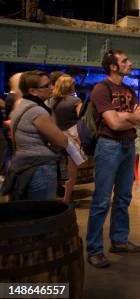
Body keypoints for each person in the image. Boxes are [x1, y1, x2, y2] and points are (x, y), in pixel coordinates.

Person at [86, 50, 140, 269]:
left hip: (128, 146)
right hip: (109, 146)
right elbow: (113, 124)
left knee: (123, 198)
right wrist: (135, 118)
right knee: (102, 200)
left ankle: (119, 241)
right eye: (125, 61)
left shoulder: (129, 89)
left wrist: (126, 116)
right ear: (113, 67)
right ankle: (94, 249)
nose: (130, 63)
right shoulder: (101, 90)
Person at [5, 71, 68, 200]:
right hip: (39, 168)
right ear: (33, 91)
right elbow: (62, 142)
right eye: (46, 86)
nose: (51, 88)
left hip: (23, 165)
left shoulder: (21, 105)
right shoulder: (37, 111)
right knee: (41, 214)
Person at [49, 74, 83, 204]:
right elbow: (82, 120)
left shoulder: (49, 101)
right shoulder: (75, 101)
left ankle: (50, 199)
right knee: (71, 173)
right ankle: (67, 200)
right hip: (71, 141)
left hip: (54, 138)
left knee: (54, 169)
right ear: (69, 86)